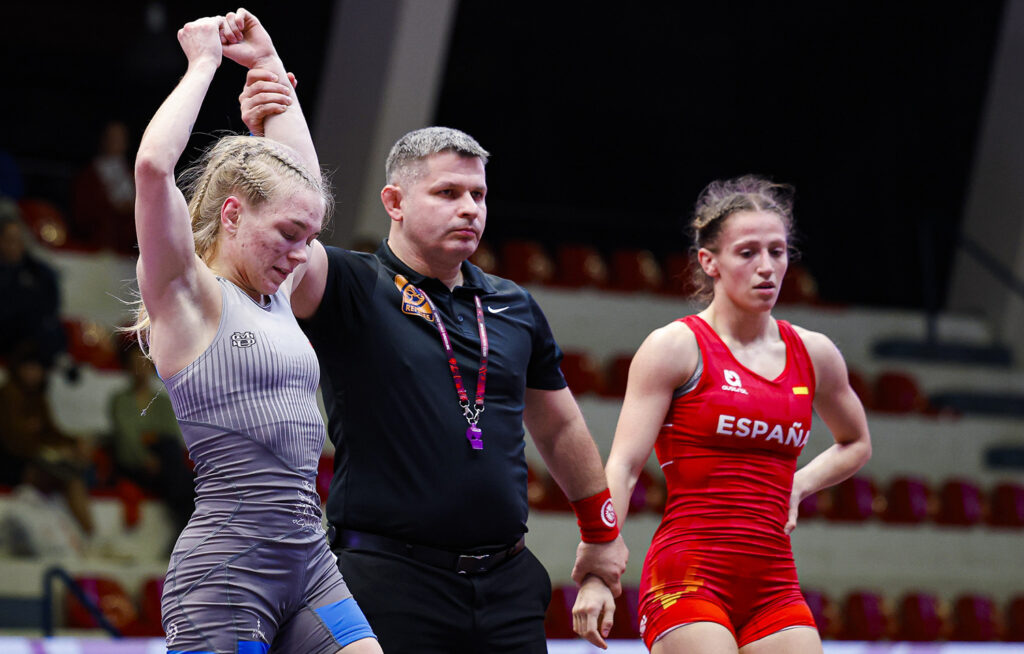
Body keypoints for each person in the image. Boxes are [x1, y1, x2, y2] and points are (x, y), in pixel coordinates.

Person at [239, 62, 628, 654]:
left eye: (478, 195)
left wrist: (601, 535)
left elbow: (559, 424)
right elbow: (291, 233)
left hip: (506, 585)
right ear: (394, 201)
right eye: (448, 193)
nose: (469, 208)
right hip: (387, 581)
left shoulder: (513, 304)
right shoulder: (351, 285)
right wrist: (274, 121)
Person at [131, 10, 380, 653]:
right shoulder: (188, 296)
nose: (303, 254)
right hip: (227, 572)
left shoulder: (277, 289)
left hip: (311, 561)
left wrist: (269, 67)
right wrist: (205, 64)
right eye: (288, 236)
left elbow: (299, 182)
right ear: (234, 215)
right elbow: (154, 170)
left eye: (310, 237)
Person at [572, 175, 872, 652]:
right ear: (709, 261)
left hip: (774, 584)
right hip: (688, 578)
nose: (767, 267)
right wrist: (595, 569)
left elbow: (856, 442)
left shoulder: (814, 354)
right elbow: (624, 468)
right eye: (748, 252)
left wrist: (800, 483)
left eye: (777, 251)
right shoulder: (676, 347)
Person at [107, 344, 194, 549]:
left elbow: (170, 434)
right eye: (134, 364)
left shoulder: (162, 401)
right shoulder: (120, 400)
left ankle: (184, 534)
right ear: (128, 368)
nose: (140, 369)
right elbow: (127, 437)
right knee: (184, 480)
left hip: (163, 463)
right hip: (134, 465)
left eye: (144, 364)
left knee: (175, 457)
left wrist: (150, 440)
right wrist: (145, 456)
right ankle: (184, 535)